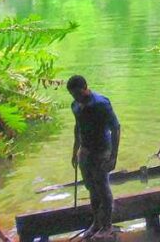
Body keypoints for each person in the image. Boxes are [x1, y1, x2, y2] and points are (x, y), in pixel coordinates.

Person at [67, 75, 121, 239]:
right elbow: (78, 128)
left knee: (103, 187)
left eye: (78, 94)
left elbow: (116, 128)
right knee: (91, 187)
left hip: (101, 150)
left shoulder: (101, 104)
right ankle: (96, 223)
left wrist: (113, 157)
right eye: (72, 95)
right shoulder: (75, 105)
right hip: (85, 150)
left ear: (85, 88)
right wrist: (75, 150)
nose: (76, 98)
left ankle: (107, 225)